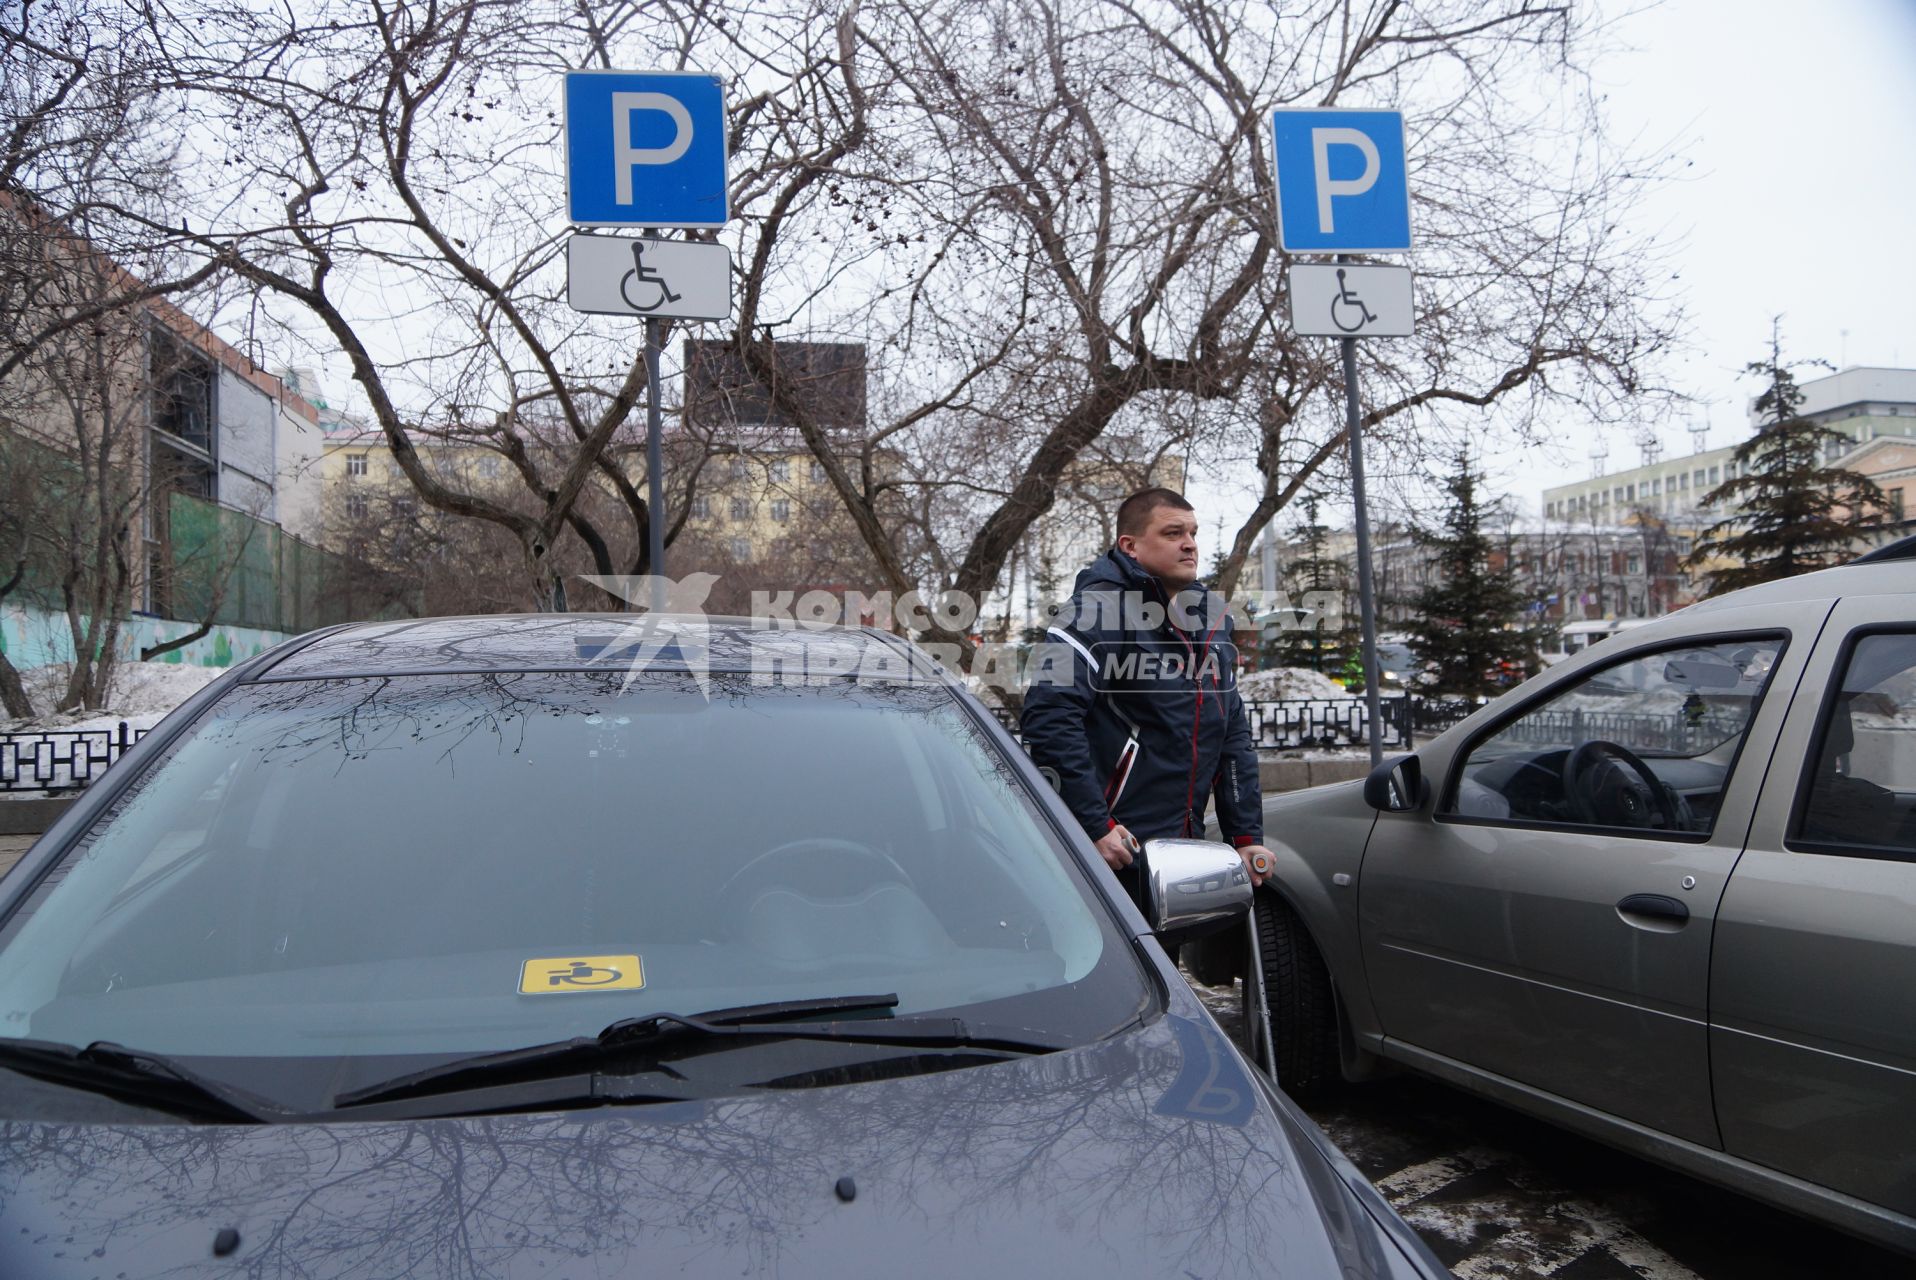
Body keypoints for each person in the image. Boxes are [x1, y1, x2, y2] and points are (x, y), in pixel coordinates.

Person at [1021, 487, 1273, 896]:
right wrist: (1093, 825)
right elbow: (1049, 718)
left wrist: (1245, 835)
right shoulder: (1093, 612)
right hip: (1113, 848)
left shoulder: (1211, 619)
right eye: (1173, 533)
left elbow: (1231, 734)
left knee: (1164, 960)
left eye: (1193, 533)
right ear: (1130, 545)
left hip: (1180, 851)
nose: (1189, 544)